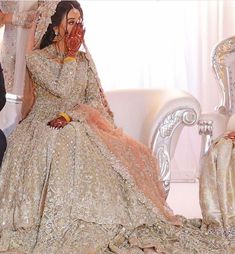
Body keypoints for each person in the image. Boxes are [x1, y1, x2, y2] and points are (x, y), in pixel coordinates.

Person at [0, 1, 233, 253]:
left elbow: (91, 99)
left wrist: (74, 115)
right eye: (70, 22)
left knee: (120, 148)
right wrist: (69, 56)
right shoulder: (36, 58)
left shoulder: (82, 60)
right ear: (55, 27)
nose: (77, 28)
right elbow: (62, 89)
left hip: (76, 118)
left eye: (80, 21)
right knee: (67, 139)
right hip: (44, 122)